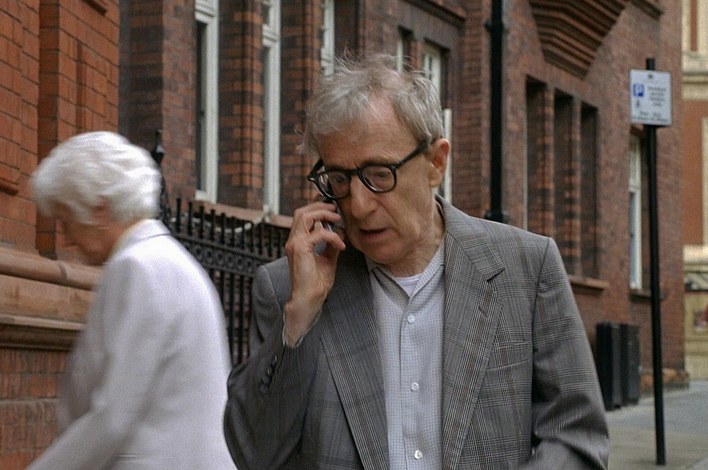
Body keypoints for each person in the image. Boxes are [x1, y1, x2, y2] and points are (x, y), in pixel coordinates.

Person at [225, 54, 609, 469]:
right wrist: (298, 322)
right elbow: (254, 455)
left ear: (436, 163)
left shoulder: (525, 270)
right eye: (339, 179)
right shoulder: (288, 289)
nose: (358, 205)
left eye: (379, 174)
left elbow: (576, 436)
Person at [28, 131, 236, 469]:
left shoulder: (136, 268)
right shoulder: (173, 261)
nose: (66, 239)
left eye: (66, 220)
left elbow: (112, 414)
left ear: (99, 209)